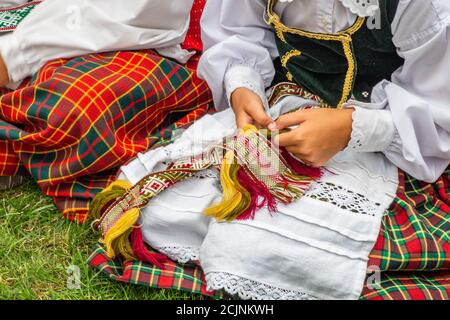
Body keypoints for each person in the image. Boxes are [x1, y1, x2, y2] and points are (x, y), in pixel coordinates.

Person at [0, 0, 212, 222]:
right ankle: (23, 136)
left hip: (149, 36)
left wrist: (13, 54)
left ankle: (26, 140)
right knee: (47, 94)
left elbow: (144, 11)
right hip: (50, 22)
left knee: (74, 106)